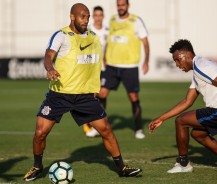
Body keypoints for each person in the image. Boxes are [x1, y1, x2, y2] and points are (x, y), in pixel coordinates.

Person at [23, 3, 142, 182]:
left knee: (106, 130)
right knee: (40, 133)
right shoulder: (61, 36)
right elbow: (48, 55)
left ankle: (121, 167)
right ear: (72, 17)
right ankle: (37, 166)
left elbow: (92, 65)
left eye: (88, 17)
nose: (86, 20)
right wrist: (50, 68)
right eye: (82, 17)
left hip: (84, 97)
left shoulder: (94, 38)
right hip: (59, 94)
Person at [148, 39, 217, 173]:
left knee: (181, 121)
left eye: (177, 60)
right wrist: (161, 118)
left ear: (186, 55)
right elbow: (187, 101)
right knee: (198, 134)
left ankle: (183, 164)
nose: (177, 64)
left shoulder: (201, 66)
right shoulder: (199, 68)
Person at [98, 0, 150, 139]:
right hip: (112, 65)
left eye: (123, 5)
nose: (120, 7)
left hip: (129, 66)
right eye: (118, 5)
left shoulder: (136, 21)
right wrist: (104, 56)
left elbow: (145, 42)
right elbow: (109, 40)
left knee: (133, 97)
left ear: (128, 6)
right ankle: (100, 126)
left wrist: (146, 61)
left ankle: (138, 129)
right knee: (102, 94)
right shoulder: (112, 19)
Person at [83, 5, 109, 138]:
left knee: (103, 95)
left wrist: (106, 59)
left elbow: (108, 47)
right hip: (91, 68)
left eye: (101, 15)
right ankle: (87, 124)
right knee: (92, 96)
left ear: (103, 16)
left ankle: (100, 119)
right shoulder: (88, 31)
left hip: (103, 68)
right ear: (93, 16)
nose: (98, 17)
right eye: (96, 15)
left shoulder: (107, 31)